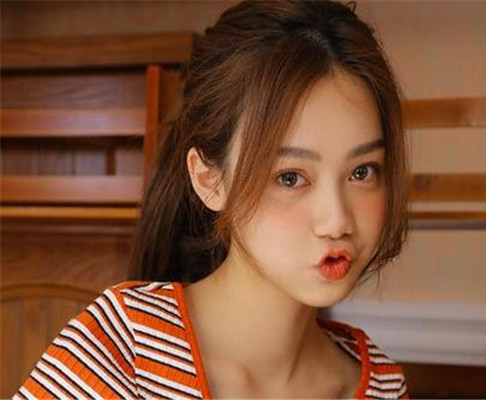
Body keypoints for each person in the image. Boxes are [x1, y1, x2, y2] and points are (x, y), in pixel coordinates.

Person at [12, 0, 411, 399]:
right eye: (290, 178)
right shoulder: (118, 352)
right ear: (209, 180)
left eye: (362, 172)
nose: (337, 221)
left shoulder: (382, 387)